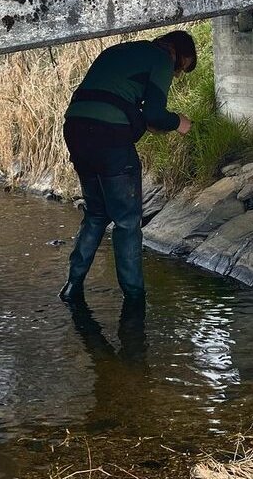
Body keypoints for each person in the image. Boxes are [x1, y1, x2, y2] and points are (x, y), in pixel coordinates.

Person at [60, 30, 197, 302]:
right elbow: (156, 114)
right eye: (181, 68)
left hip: (75, 129)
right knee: (127, 221)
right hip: (109, 136)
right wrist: (179, 122)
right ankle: (134, 298)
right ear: (176, 53)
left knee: (97, 214)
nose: (177, 75)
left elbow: (120, 101)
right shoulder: (160, 58)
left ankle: (72, 285)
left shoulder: (121, 51)